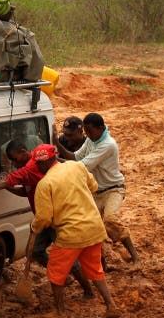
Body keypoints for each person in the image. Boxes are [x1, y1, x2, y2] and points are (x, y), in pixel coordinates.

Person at [0, 140, 94, 298]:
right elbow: (25, 192)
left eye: (14, 159)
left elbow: (11, 179)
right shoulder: (29, 168)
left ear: (24, 152)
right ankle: (62, 276)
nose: (13, 163)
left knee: (68, 256)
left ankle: (87, 290)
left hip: (55, 218)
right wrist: (8, 186)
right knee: (36, 251)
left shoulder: (31, 167)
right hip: (43, 217)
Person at [29, 144, 120, 318]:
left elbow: (44, 218)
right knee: (95, 270)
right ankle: (110, 305)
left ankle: (60, 313)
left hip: (71, 234)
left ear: (42, 164)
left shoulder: (44, 184)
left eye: (37, 164)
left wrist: (35, 227)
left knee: (55, 273)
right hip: (94, 228)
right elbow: (93, 187)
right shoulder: (76, 166)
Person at [57, 113, 139, 267]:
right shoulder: (91, 139)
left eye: (90, 131)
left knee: (110, 221)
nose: (87, 135)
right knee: (92, 228)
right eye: (86, 132)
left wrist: (55, 161)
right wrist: (57, 145)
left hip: (113, 189)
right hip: (96, 191)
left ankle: (135, 257)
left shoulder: (108, 145)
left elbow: (82, 166)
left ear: (101, 128)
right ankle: (101, 264)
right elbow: (75, 157)